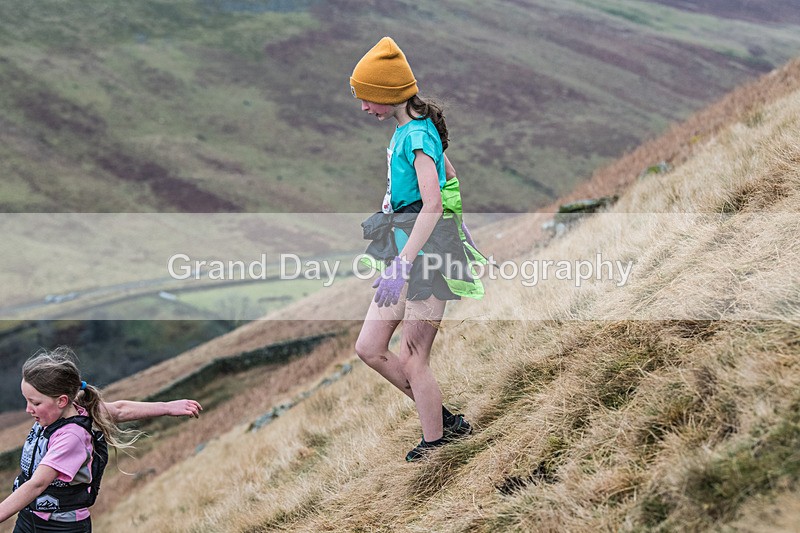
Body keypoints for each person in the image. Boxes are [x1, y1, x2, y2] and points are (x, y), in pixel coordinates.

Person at [350, 36, 485, 462]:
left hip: (425, 261)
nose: (363, 106)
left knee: (413, 358)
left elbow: (432, 201)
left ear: (388, 94)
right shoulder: (410, 131)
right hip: (405, 254)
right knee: (369, 347)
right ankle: (443, 421)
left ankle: (438, 444)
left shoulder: (418, 137)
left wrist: (405, 263)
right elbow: (450, 177)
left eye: (367, 97)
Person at [0, 347, 203, 532]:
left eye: (34, 402)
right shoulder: (69, 410)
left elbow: (37, 484)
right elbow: (120, 410)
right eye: (26, 400)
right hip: (29, 518)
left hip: (59, 527)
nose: (28, 409)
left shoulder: (71, 437)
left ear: (62, 400)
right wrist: (167, 407)